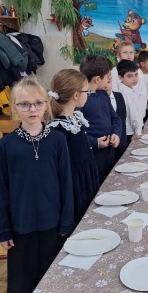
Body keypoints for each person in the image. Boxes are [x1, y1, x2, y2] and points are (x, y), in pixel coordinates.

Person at [0, 76, 74, 293]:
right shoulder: (7, 146)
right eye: (25, 104)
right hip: (21, 225)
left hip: (53, 223)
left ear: (46, 105)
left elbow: (65, 183)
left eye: (38, 103)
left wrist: (67, 222)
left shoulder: (58, 141)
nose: (32, 109)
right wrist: (3, 230)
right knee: (22, 281)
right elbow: (1, 191)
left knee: (50, 278)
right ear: (15, 108)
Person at [48, 69, 101, 227]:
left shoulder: (76, 118)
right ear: (76, 95)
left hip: (86, 176)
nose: (88, 95)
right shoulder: (59, 128)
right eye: (86, 91)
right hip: (75, 183)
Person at [79, 55, 122, 181]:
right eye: (108, 77)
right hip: (93, 154)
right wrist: (95, 142)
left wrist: (116, 134)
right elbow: (77, 135)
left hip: (109, 151)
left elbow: (115, 119)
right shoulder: (81, 100)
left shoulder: (103, 94)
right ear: (97, 79)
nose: (109, 80)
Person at [116, 59, 145, 144]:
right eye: (129, 76)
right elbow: (133, 113)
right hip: (130, 132)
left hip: (134, 129)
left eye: (136, 75)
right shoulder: (125, 92)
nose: (134, 78)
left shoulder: (130, 89)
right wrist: (138, 131)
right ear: (120, 78)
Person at [111, 40, 148, 107]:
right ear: (119, 54)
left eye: (131, 52)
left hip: (138, 107)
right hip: (122, 107)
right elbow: (114, 92)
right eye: (125, 52)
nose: (129, 55)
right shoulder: (114, 72)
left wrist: (141, 110)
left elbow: (143, 93)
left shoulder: (139, 71)